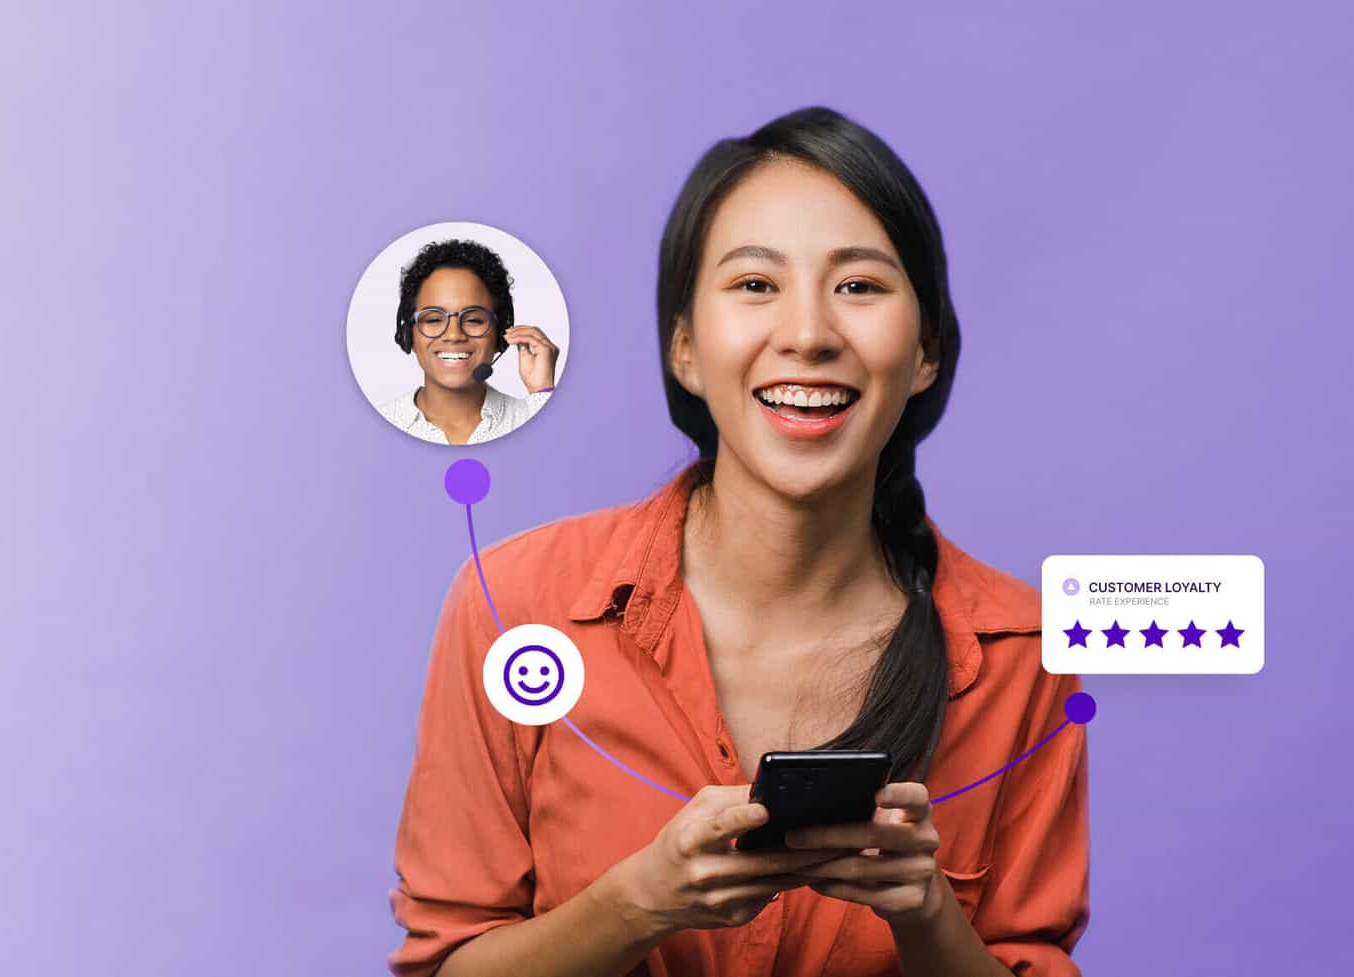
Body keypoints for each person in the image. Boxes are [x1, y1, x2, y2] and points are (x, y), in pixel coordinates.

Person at [389, 107, 1088, 977]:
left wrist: (927, 916)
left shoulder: (1024, 651)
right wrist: (636, 902)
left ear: (925, 355)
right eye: (756, 285)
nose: (807, 334)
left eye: (860, 287)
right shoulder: (515, 606)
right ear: (684, 347)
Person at [378, 239, 560, 445]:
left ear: (500, 333)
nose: (454, 335)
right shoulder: (378, 425)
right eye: (434, 319)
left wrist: (542, 393)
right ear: (407, 334)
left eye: (473, 320)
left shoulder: (532, 417)